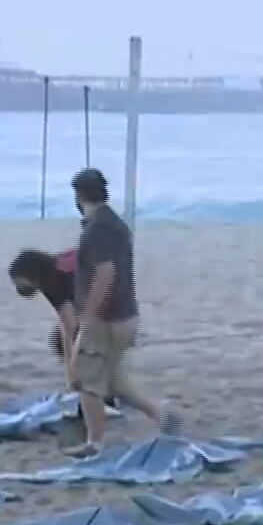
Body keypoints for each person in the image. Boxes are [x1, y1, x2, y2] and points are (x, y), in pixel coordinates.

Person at [66, 168, 175, 455]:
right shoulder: (115, 224)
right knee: (113, 379)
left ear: (78, 196)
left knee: (86, 379)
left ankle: (95, 443)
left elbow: (105, 274)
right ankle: (161, 415)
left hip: (107, 317)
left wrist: (88, 316)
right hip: (125, 314)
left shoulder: (96, 230)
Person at [8, 248, 79, 378]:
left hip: (104, 310)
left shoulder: (50, 281)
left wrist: (70, 366)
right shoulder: (60, 262)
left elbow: (70, 326)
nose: (18, 286)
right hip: (118, 300)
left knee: (65, 342)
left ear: (30, 274)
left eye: (18, 281)